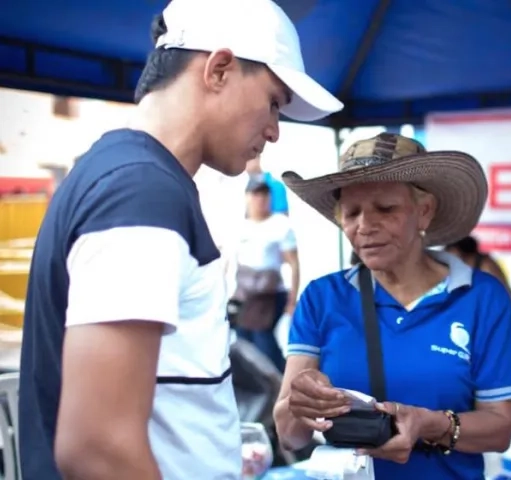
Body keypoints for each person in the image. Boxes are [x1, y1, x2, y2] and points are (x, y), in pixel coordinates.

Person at [17, 0, 343, 478]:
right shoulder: (141, 190)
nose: (275, 130)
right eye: (274, 102)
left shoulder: (129, 174)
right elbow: (98, 447)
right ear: (219, 69)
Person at [272, 133, 511, 479]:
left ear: (424, 211)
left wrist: (430, 424)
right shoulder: (322, 298)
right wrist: (301, 404)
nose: (364, 226)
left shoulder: (481, 298)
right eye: (351, 213)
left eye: (386, 209)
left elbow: (500, 428)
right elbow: (289, 435)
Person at [232, 177, 300, 372]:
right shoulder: (240, 227)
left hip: (269, 294)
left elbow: (294, 264)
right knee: (243, 341)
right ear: (247, 197)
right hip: (244, 294)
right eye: (256, 194)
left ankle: (280, 380)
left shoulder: (280, 225)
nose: (260, 199)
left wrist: (292, 300)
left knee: (264, 343)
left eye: (264, 194)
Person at [446, 236, 511, 337]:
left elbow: (504, 296)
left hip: (499, 314)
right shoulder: (457, 270)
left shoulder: (486, 265)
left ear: (463, 253)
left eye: (452, 255)